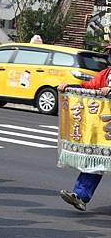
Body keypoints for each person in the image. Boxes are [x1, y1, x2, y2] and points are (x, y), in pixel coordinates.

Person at [58, 47, 111, 212]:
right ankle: (80, 196)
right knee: (96, 160)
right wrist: (69, 87)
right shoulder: (106, 74)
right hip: (104, 128)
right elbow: (89, 86)